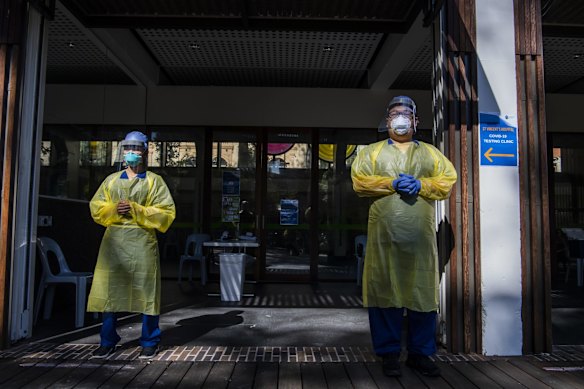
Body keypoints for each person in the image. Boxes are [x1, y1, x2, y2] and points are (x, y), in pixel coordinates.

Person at [351, 96, 457, 377]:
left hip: (419, 239)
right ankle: (388, 354)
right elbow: (360, 182)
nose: (400, 119)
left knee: (421, 295)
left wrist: (422, 184)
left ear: (415, 121)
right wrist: (390, 183)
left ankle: (420, 354)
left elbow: (447, 180)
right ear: (387, 120)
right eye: (395, 114)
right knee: (385, 292)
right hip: (384, 238)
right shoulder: (370, 152)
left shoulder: (431, 153)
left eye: (405, 114)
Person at [87, 131, 176, 359]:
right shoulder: (111, 181)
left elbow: (166, 213)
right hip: (114, 244)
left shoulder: (155, 181)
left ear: (145, 151)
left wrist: (137, 210)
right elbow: (97, 207)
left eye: (136, 149)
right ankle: (107, 340)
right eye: (127, 148)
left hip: (143, 242)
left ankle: (150, 339)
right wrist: (114, 209)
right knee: (110, 291)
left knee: (147, 292)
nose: (131, 153)